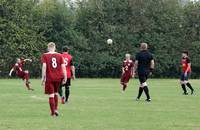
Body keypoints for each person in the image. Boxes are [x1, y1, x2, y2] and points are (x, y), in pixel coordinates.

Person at [41, 42, 67, 117]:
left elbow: (44, 66)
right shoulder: (59, 55)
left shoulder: (45, 55)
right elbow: (63, 67)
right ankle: (55, 109)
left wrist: (43, 77)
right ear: (55, 47)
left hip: (50, 78)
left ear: (48, 48)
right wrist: (65, 77)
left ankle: (52, 113)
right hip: (58, 77)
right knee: (56, 93)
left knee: (51, 95)